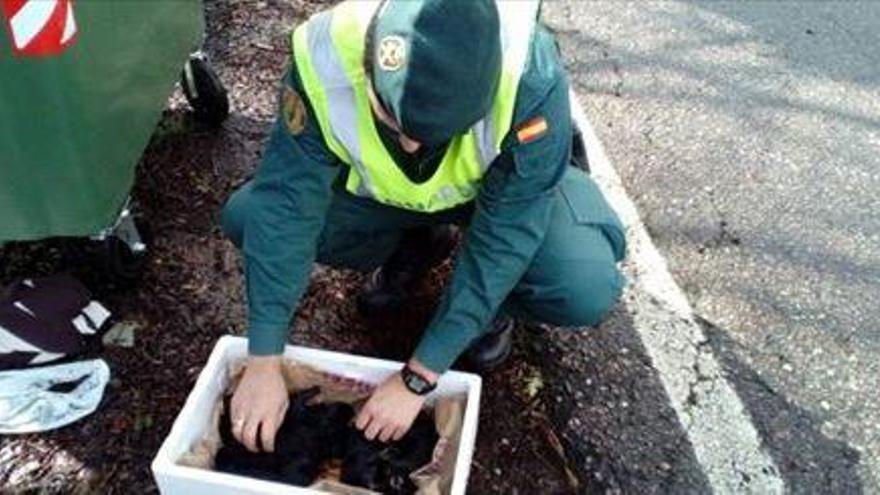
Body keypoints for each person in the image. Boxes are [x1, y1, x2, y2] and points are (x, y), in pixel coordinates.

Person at [221, 0, 626, 454]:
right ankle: (415, 243)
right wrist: (263, 357)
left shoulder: (530, 78)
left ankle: (488, 309)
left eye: (440, 131)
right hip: (388, 197)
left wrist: (418, 377)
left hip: (497, 199)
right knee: (249, 217)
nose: (412, 142)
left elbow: (507, 236)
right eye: (391, 119)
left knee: (581, 284)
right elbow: (286, 206)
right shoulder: (326, 54)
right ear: (366, 65)